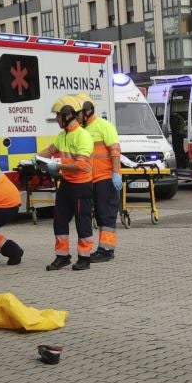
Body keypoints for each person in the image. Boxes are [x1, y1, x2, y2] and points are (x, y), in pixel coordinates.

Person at [40, 95, 95, 271]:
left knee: (82, 221)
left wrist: (58, 166)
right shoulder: (62, 135)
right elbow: (51, 150)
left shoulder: (83, 136)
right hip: (67, 184)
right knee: (60, 220)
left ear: (67, 115)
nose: (56, 119)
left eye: (58, 116)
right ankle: (62, 256)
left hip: (81, 186)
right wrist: (36, 158)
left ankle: (84, 258)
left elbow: (81, 164)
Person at [85, 101, 123, 262]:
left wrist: (115, 173)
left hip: (106, 178)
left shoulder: (103, 126)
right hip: (92, 179)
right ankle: (103, 248)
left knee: (106, 215)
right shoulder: (83, 130)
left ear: (87, 112)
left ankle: (107, 250)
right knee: (100, 215)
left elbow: (114, 150)